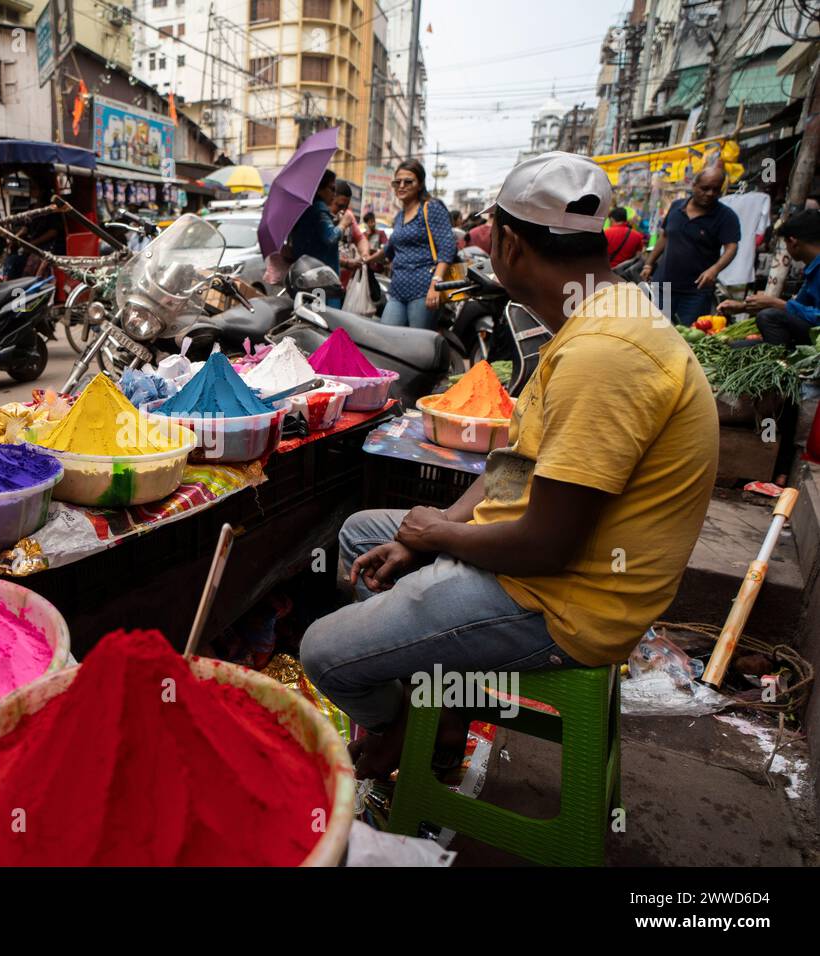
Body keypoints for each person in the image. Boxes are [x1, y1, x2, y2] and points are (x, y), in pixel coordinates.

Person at [301, 151, 717, 780]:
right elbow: (518, 465)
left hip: (566, 603)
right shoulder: (598, 318)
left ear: (510, 244)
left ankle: (404, 730)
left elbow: (548, 546)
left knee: (323, 652)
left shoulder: (603, 355)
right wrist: (441, 520)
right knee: (365, 533)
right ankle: (430, 704)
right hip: (542, 562)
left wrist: (440, 537)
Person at [640, 167, 740, 325]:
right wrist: (649, 263)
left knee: (688, 337)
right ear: (694, 185)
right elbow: (665, 236)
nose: (710, 193)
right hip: (663, 285)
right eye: (705, 188)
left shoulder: (726, 216)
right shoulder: (676, 206)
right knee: (656, 333)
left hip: (696, 291)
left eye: (716, 190)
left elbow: (731, 247)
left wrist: (714, 270)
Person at [718, 210, 820, 346]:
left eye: (785, 243)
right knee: (735, 346)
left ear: (793, 242)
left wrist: (776, 304)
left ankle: (780, 363)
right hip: (812, 334)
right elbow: (799, 306)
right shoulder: (812, 270)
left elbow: (798, 311)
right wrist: (743, 307)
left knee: (769, 317)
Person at [379, 159, 456, 329]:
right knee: (385, 338)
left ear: (420, 185)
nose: (401, 186)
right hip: (398, 290)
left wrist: (435, 285)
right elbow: (390, 249)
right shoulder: (399, 217)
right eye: (397, 182)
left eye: (408, 181)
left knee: (418, 347)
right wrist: (365, 259)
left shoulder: (431, 208)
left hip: (424, 290)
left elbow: (447, 247)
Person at [289, 169, 354, 307]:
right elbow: (330, 237)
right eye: (331, 189)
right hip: (321, 281)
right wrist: (343, 224)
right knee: (326, 322)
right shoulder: (319, 209)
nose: (334, 194)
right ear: (319, 189)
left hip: (305, 278)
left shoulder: (304, 210)